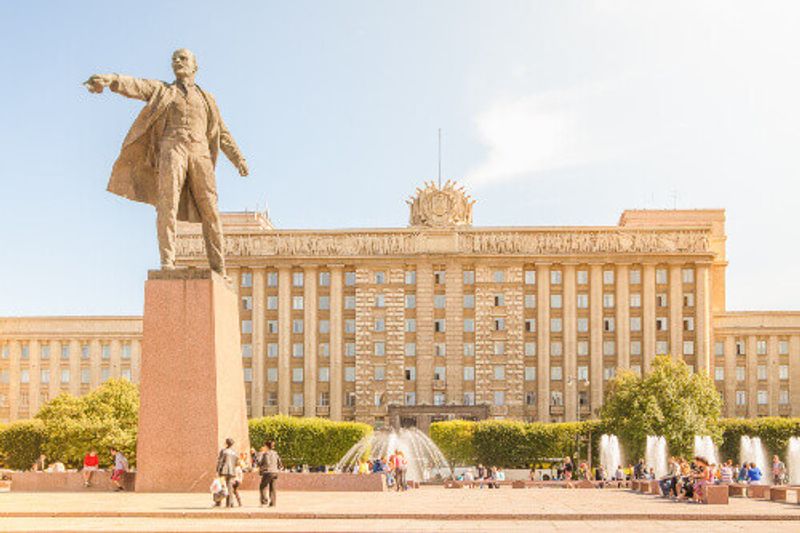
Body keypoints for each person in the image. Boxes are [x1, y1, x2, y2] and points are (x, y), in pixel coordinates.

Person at [84, 49, 249, 276]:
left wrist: (238, 159)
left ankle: (219, 268)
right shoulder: (163, 90)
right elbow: (137, 85)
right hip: (172, 149)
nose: (177, 61)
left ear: (195, 66)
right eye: (174, 59)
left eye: (183, 58)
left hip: (200, 152)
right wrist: (112, 79)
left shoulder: (208, 99)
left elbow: (222, 133)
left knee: (210, 210)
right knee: (167, 206)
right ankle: (168, 263)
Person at [257, 440, 283, 507]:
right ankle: (273, 503)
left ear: (266, 446)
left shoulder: (266, 453)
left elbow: (265, 463)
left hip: (268, 472)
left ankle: (264, 501)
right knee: (273, 487)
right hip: (275, 472)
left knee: (262, 486)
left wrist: (262, 467)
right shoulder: (276, 453)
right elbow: (280, 464)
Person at [216, 438, 238, 508]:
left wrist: (217, 470)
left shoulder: (224, 451)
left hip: (223, 471)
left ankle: (218, 502)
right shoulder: (235, 452)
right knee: (229, 487)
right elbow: (236, 463)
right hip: (231, 471)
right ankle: (229, 503)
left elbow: (220, 461)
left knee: (220, 486)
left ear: (226, 443)